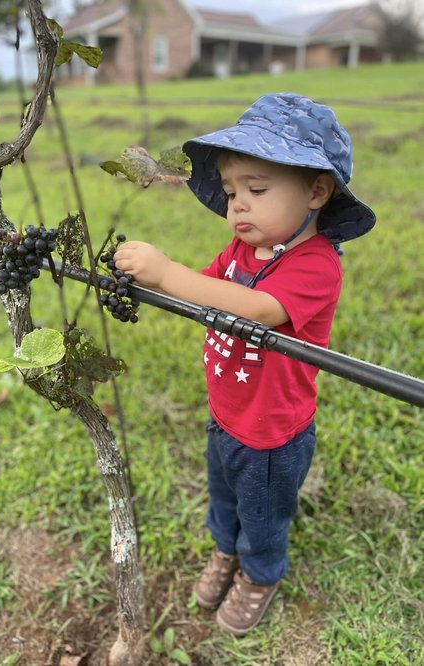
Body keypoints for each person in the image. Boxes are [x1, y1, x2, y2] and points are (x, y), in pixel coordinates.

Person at [114, 92, 376, 636]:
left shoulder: (316, 265)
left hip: (274, 433)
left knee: (263, 514)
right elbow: (206, 290)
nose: (237, 205)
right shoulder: (239, 253)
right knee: (224, 496)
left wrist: (165, 270)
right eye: (232, 192)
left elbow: (258, 307)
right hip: (227, 412)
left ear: (317, 191)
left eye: (256, 190)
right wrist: (151, 281)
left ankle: (260, 573)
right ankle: (224, 551)